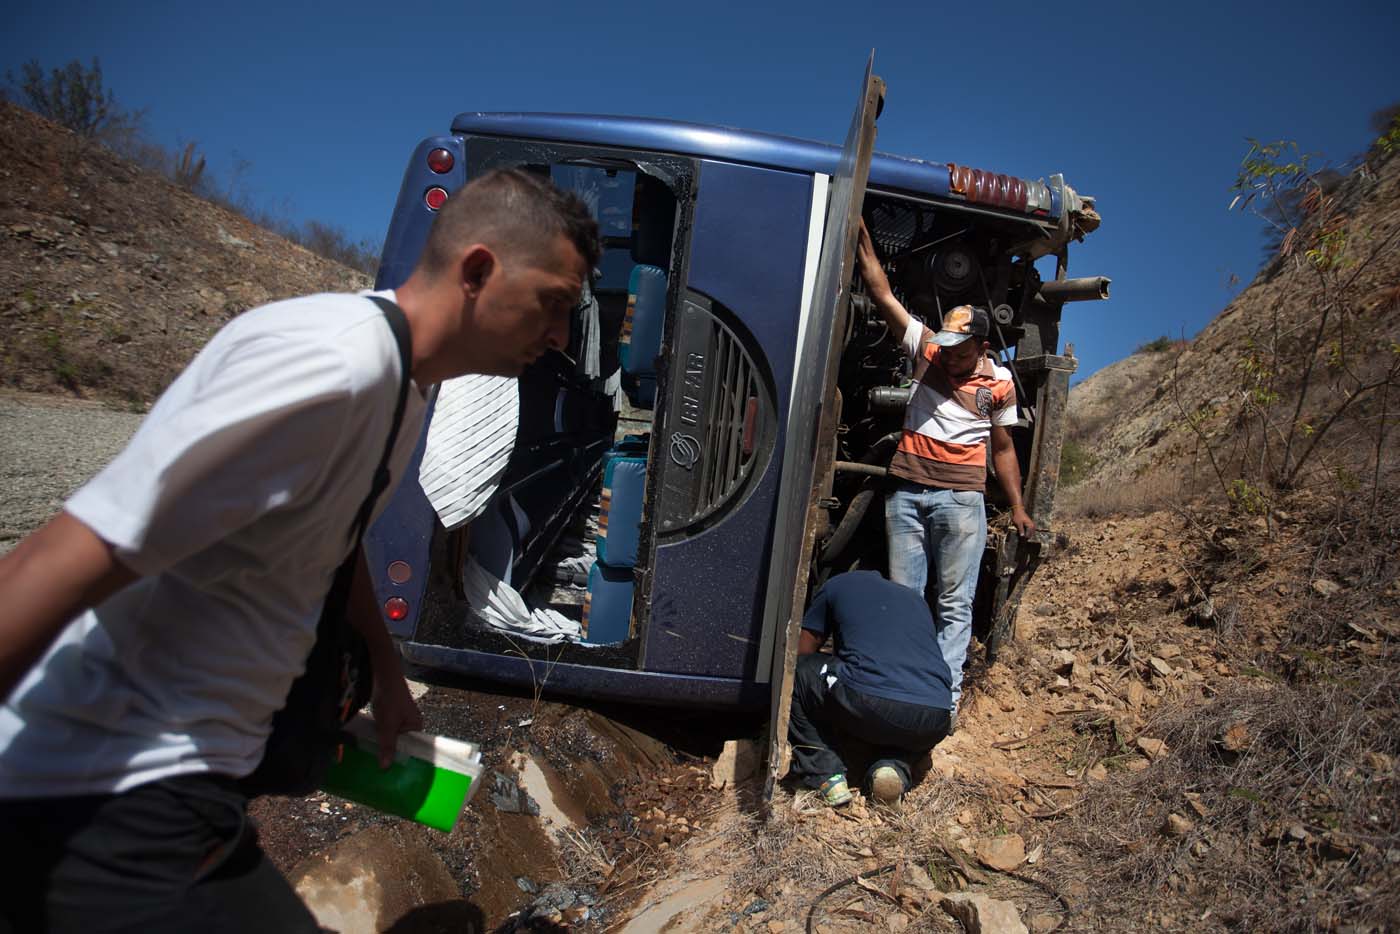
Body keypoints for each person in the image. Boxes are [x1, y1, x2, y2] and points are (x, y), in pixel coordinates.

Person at [0, 168, 600, 932]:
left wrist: (385, 668)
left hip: (185, 782)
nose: (557, 337)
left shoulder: (406, 387)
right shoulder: (330, 367)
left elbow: (330, 540)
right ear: (478, 271)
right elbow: (61, 557)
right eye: (553, 305)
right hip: (106, 786)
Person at [854, 220, 1036, 724]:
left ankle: (942, 701)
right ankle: (898, 690)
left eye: (960, 348)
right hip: (907, 495)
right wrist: (861, 238)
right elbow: (883, 294)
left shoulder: (999, 385)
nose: (949, 355)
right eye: (947, 345)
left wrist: (1017, 506)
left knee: (954, 606)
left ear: (980, 343)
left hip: (961, 503)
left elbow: (1002, 448)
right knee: (904, 601)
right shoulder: (928, 348)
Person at [788, 571, 953, 806]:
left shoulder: (837, 584)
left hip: (870, 702)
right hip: (936, 716)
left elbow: (803, 650)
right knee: (903, 727)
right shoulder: (915, 599)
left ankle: (824, 776)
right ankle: (891, 768)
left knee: (798, 671)